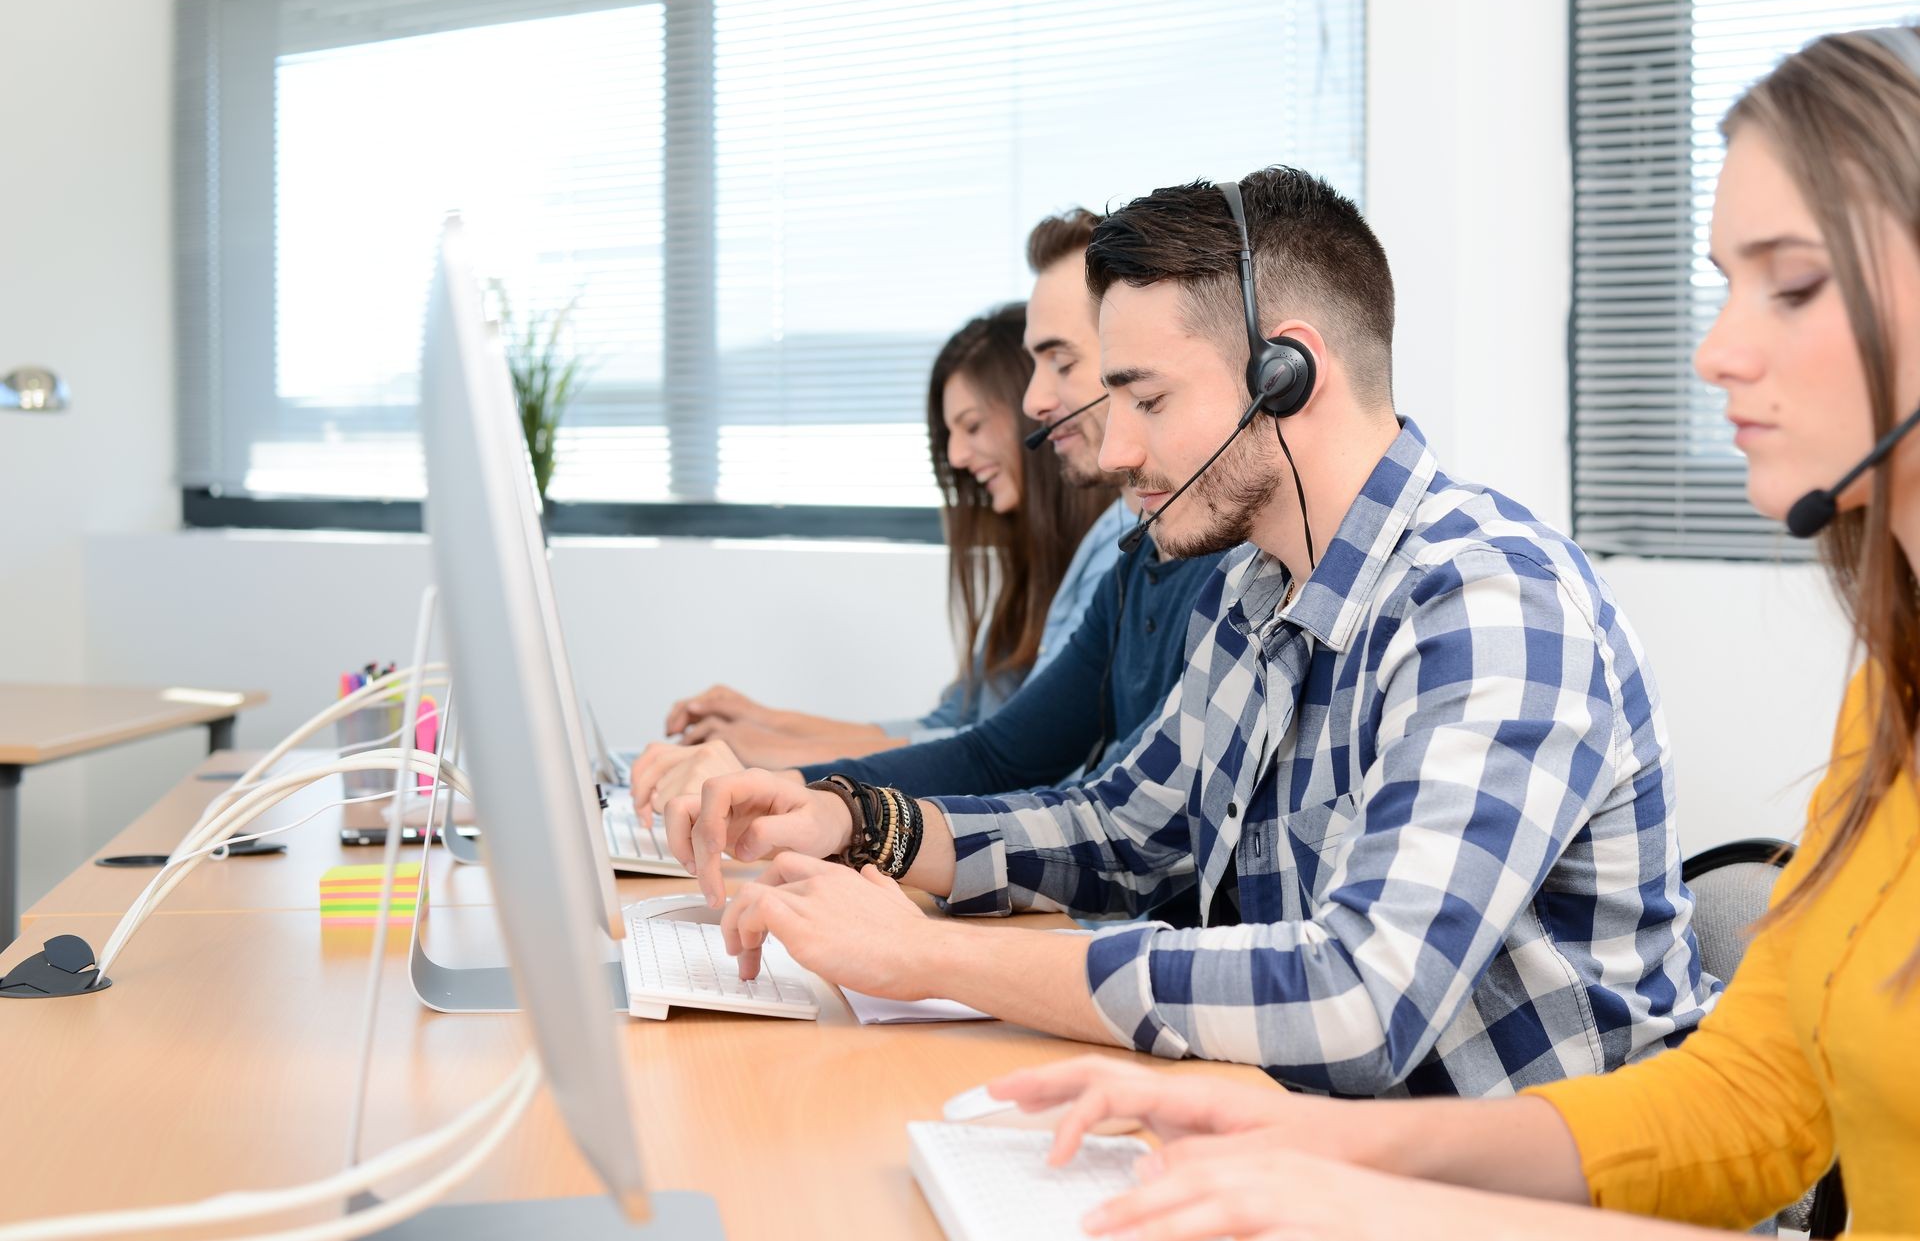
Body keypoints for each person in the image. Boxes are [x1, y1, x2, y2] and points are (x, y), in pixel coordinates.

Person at [980, 25, 1920, 1241]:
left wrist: (1375, 1197)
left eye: (1791, 284)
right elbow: (1748, 1107)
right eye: (1724, 283)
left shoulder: (1490, 598)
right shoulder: (1891, 698)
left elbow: (1364, 1000)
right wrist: (1322, 1148)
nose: (1715, 351)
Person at [670, 165, 1715, 1096]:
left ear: (1286, 377)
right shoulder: (1255, 589)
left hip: (1528, 1202)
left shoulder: (1490, 610)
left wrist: (931, 958)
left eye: (1147, 398)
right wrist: (859, 823)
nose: (1115, 446)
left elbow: (1358, 1002)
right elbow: (1128, 828)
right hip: (1315, 1158)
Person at [628, 210, 1225, 814]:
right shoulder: (1134, 565)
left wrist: (811, 796)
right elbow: (996, 755)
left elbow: (1118, 832)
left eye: (1063, 363)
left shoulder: (1224, 570)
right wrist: (793, 794)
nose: (1034, 401)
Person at [658, 302, 1115, 769]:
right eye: (950, 434)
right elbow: (946, 725)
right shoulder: (1036, 571)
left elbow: (994, 752)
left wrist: (776, 758)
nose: (956, 455)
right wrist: (763, 723)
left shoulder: (1113, 553)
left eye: (972, 426)